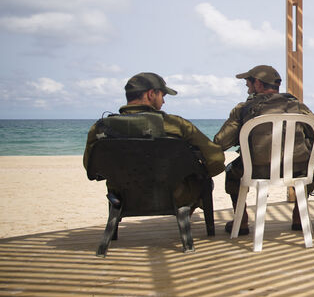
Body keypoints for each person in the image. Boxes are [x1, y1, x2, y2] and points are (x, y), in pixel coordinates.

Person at [83, 72, 225, 207]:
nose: (163, 101)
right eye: (162, 95)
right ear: (151, 94)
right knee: (204, 183)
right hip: (174, 195)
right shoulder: (176, 125)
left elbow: (91, 168)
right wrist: (199, 173)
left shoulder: (100, 128)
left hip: (121, 197)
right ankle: (184, 215)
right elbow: (215, 158)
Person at [214, 65, 314, 235]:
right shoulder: (298, 107)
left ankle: (241, 221)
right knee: (309, 165)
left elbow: (221, 142)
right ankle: (298, 217)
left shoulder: (243, 109)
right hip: (296, 169)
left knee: (231, 172)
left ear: (257, 84)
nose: (246, 87)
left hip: (257, 171)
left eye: (248, 83)